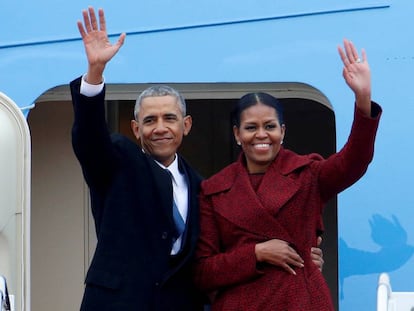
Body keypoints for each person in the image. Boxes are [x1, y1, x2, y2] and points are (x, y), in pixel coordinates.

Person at [70, 6, 325, 310]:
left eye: (169, 118)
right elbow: (89, 141)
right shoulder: (118, 162)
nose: (160, 128)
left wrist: (302, 254)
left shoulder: (204, 187)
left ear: (186, 125)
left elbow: (225, 251)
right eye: (150, 121)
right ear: (136, 129)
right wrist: (95, 75)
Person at [193, 39, 382, 311]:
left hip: (301, 301)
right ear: (237, 134)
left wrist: (362, 99)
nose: (261, 135)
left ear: (282, 131)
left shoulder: (308, 174)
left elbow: (354, 162)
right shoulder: (213, 190)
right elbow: (203, 272)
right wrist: (257, 253)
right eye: (251, 127)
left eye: (270, 126)